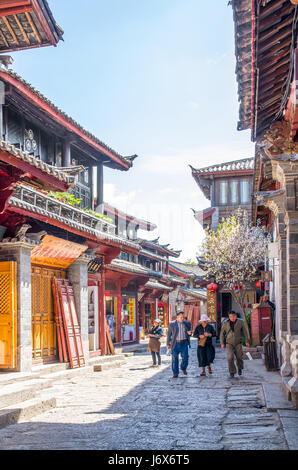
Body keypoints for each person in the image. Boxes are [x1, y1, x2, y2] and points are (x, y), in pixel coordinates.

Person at [220, 310, 250, 378]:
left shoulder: (240, 322)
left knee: (239, 357)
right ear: (229, 317)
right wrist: (222, 343)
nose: (232, 318)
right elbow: (222, 333)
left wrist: (247, 341)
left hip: (238, 343)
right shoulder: (225, 323)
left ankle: (240, 368)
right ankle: (232, 371)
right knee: (230, 357)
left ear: (236, 316)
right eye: (230, 317)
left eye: (233, 316)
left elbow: (245, 332)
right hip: (229, 343)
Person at [167, 311, 192, 378]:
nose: (182, 318)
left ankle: (183, 368)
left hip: (184, 343)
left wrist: (190, 333)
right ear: (177, 317)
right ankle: (175, 373)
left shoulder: (187, 323)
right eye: (181, 317)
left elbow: (190, 331)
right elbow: (169, 334)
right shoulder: (172, 324)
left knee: (185, 357)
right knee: (175, 358)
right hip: (175, 343)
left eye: (183, 317)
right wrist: (168, 343)